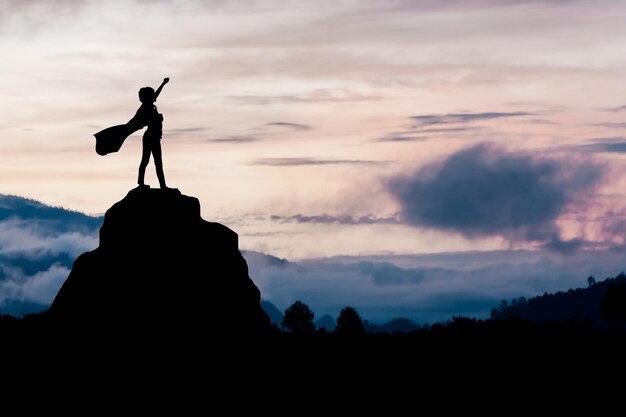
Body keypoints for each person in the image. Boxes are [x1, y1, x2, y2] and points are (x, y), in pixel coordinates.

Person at [129, 77, 171, 189]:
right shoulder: (144, 108)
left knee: (158, 162)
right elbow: (133, 122)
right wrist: (163, 84)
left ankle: (163, 186)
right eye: (151, 95)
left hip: (156, 137)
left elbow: (156, 95)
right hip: (149, 137)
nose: (154, 96)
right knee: (145, 160)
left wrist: (163, 84)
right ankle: (141, 183)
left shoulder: (150, 106)